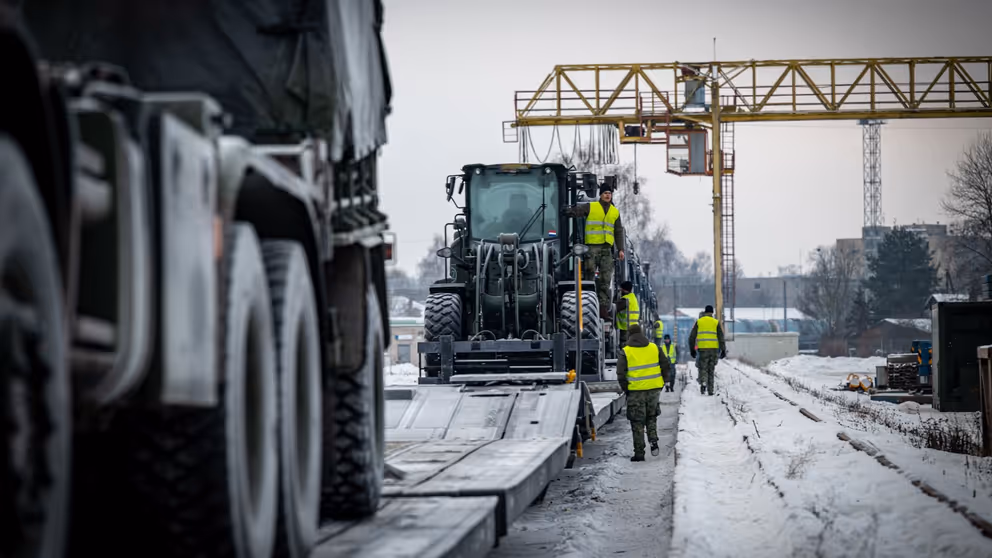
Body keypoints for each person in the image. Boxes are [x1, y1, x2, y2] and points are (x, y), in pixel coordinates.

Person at [561, 181, 625, 319]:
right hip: (593, 247)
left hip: (607, 249)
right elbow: (578, 211)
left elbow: (618, 231)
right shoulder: (592, 206)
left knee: (605, 279)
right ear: (601, 195)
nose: (608, 195)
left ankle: (602, 309)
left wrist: (620, 249)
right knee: (590, 275)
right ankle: (589, 305)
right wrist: (568, 211)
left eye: (609, 193)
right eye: (605, 193)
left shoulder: (615, 212)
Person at [617, 324, 670, 461]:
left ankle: (639, 453)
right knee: (651, 417)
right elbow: (665, 365)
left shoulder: (626, 351)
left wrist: (626, 389)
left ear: (629, 334)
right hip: (653, 390)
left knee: (637, 422)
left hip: (635, 392)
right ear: (642, 333)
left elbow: (620, 373)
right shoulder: (654, 347)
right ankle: (653, 440)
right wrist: (662, 382)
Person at [688, 305, 726, 396]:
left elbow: (691, 337)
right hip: (713, 349)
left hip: (702, 349)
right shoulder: (715, 322)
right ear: (712, 313)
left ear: (705, 312)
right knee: (711, 369)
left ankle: (703, 382)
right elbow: (721, 337)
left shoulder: (699, 322)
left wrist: (692, 349)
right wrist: (723, 350)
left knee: (703, 367)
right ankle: (710, 390)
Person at [615, 281, 639, 346]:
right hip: (633, 327)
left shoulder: (625, 299)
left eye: (621, 289)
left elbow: (615, 308)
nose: (620, 291)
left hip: (626, 328)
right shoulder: (633, 297)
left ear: (624, 290)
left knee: (624, 346)